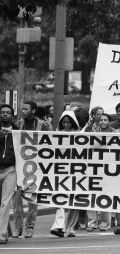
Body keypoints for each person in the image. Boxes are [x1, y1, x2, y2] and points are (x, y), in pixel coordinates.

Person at [13, 101, 51, 238]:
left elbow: (50, 144)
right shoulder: (17, 125)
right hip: (19, 166)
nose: (22, 111)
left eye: (25, 109)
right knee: (16, 197)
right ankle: (18, 227)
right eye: (21, 109)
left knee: (32, 199)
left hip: (36, 166)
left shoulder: (44, 126)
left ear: (33, 111)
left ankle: (29, 226)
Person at [50, 111, 82, 237]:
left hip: (77, 172)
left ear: (73, 123)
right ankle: (58, 226)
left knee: (75, 200)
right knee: (60, 197)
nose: (66, 124)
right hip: (61, 171)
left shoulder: (81, 135)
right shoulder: (56, 135)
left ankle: (70, 228)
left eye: (68, 122)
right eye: (63, 122)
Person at [86, 113, 114, 232]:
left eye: (105, 120)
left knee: (105, 196)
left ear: (109, 121)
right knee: (91, 195)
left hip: (109, 169)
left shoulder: (115, 133)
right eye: (101, 120)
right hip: (94, 167)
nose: (103, 122)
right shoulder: (93, 132)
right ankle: (92, 223)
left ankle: (104, 223)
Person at [0, 104, 18, 244]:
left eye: (8, 112)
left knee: (6, 203)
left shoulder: (19, 132)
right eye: (2, 112)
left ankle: (1, 234)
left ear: (12, 116)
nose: (5, 114)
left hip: (10, 170)